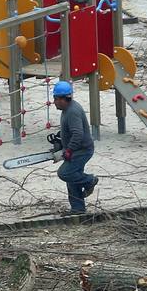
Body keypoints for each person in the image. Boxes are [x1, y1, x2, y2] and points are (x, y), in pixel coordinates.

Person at [50, 80, 97, 215]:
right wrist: (61, 142)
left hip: (82, 150)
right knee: (72, 178)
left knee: (65, 173)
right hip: (77, 148)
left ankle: (90, 180)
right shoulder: (67, 109)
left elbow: (78, 133)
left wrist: (69, 149)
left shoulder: (72, 111)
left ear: (64, 99)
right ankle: (78, 208)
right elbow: (71, 131)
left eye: (56, 99)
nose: (54, 102)